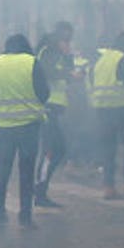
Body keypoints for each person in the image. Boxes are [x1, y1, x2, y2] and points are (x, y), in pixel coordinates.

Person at [0, 33, 49, 227]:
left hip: (4, 125)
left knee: (3, 169)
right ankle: (25, 215)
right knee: (26, 171)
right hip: (28, 125)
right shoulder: (31, 62)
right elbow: (44, 92)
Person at [32, 23, 76, 208]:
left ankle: (41, 187)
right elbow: (47, 72)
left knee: (57, 149)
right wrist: (67, 73)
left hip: (55, 108)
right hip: (46, 107)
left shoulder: (58, 53)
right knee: (51, 149)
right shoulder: (47, 52)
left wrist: (68, 57)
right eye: (65, 40)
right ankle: (39, 190)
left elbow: (66, 72)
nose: (68, 43)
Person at [89, 33, 124, 199]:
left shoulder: (101, 59)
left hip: (101, 108)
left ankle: (108, 187)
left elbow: (91, 79)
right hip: (122, 108)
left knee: (108, 149)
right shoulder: (122, 59)